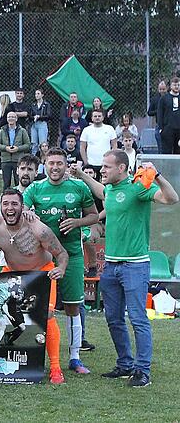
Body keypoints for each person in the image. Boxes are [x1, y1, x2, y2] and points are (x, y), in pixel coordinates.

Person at [74, 151, 178, 387]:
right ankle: (125, 364)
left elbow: (171, 199)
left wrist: (158, 176)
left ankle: (143, 371)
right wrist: (81, 174)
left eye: (107, 167)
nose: (103, 170)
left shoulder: (139, 187)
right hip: (111, 265)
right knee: (113, 318)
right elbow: (101, 190)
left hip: (135, 265)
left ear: (122, 168)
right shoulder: (110, 189)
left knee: (138, 319)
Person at [0, 188, 68, 384]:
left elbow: (62, 254)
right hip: (12, 273)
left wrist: (61, 269)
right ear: (0, 206)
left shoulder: (38, 228)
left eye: (14, 204)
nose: (10, 208)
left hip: (41, 273)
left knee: (47, 316)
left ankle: (55, 368)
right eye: (6, 204)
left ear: (23, 207)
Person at [23, 147, 99, 376]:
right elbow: (22, 209)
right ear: (45, 165)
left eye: (59, 163)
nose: (55, 167)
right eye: (51, 163)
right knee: (39, 309)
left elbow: (94, 216)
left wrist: (77, 222)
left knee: (72, 307)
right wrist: (30, 214)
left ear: (66, 165)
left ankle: (75, 357)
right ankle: (34, 355)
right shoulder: (35, 188)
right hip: (44, 257)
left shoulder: (78, 187)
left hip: (73, 254)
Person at [0, 111, 32, 190]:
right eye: (9, 117)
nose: (11, 118)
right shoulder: (2, 130)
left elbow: (28, 145)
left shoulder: (22, 131)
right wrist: (5, 148)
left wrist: (18, 148)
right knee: (6, 183)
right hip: (5, 159)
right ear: (7, 119)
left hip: (18, 160)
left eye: (13, 117)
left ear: (16, 119)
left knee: (18, 182)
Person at [80, 109, 118, 174]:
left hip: (106, 164)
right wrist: (86, 162)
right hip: (91, 165)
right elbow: (82, 148)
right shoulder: (86, 130)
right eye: (95, 116)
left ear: (103, 117)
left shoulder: (110, 129)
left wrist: (111, 161)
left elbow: (114, 146)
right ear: (91, 118)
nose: (97, 118)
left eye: (99, 116)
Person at [157, 77, 180, 154]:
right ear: (170, 86)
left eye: (178, 85)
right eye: (174, 85)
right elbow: (160, 114)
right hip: (168, 130)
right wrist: (161, 129)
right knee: (167, 153)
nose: (176, 87)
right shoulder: (164, 98)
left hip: (179, 130)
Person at [29, 89, 52, 154]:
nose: (36, 95)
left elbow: (49, 115)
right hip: (34, 124)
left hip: (42, 123)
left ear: (42, 95)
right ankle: (34, 157)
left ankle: (44, 157)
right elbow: (29, 115)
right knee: (34, 143)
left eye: (38, 94)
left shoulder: (46, 104)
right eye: (36, 94)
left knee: (43, 143)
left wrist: (39, 117)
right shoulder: (33, 105)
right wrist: (33, 117)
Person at [148, 80, 167, 152]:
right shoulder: (155, 99)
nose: (162, 91)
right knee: (160, 147)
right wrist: (158, 111)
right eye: (160, 89)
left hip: (168, 125)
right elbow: (149, 112)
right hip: (159, 125)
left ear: (167, 88)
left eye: (163, 89)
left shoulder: (169, 98)